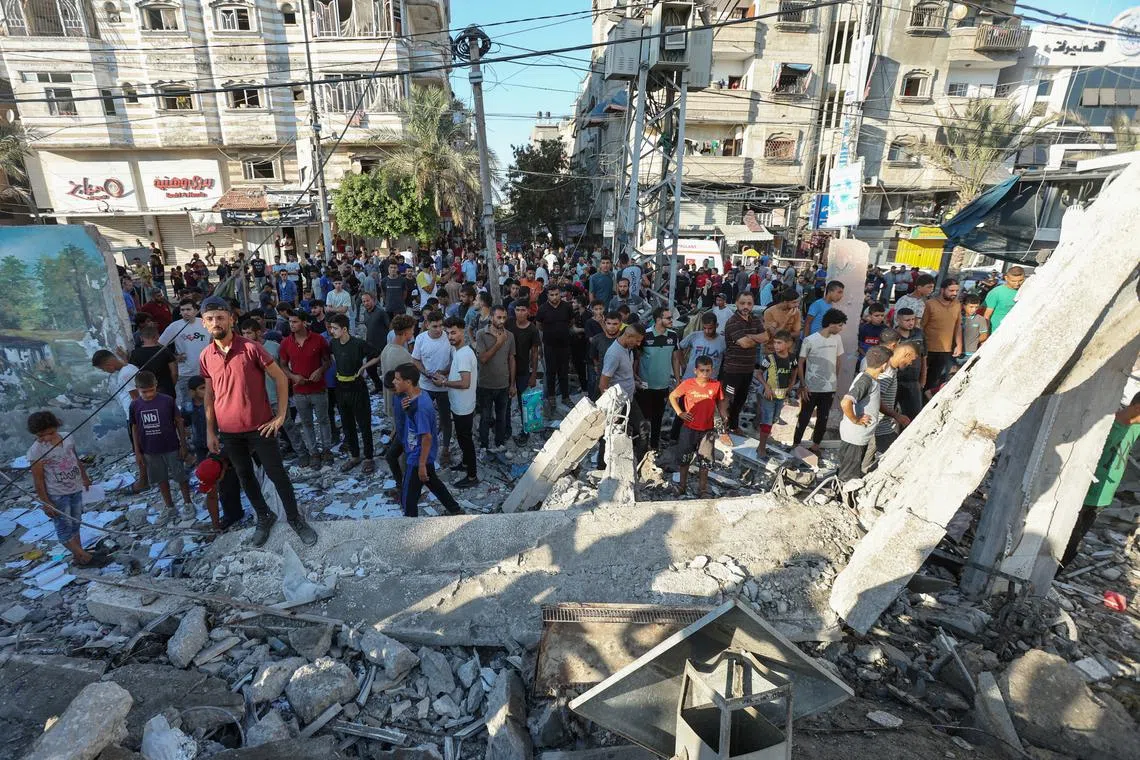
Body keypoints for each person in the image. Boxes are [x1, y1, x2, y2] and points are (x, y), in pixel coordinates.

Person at [198, 296, 317, 547]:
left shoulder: (250, 348)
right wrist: (210, 431)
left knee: (277, 475)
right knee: (245, 476)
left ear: (231, 319)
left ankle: (295, 518)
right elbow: (209, 395)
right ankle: (264, 515)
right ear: (204, 324)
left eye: (221, 317)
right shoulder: (206, 356)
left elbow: (281, 378)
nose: (216, 322)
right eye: (210, 319)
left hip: (260, 426)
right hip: (229, 431)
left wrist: (281, 415)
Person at [1059, 393, 1140, 568]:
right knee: (1066, 547)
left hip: (1102, 498)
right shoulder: (1106, 426)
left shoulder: (1136, 427)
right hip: (1083, 494)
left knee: (1073, 543)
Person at [392, 363, 464, 517]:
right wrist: (407, 410)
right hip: (421, 455)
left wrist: (422, 465)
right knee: (433, 483)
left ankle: (409, 527)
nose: (394, 382)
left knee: (408, 500)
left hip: (417, 458)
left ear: (409, 382)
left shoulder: (421, 408)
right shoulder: (417, 396)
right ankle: (455, 509)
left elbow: (427, 436)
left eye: (397, 379)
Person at [27, 411, 98, 566]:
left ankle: (78, 555)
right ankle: (85, 556)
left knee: (75, 522)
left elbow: (75, 459)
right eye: (40, 436)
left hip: (75, 488)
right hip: (57, 495)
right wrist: (46, 502)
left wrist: (84, 477)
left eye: (50, 433)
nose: (46, 438)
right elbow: (38, 480)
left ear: (56, 426)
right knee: (64, 529)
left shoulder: (67, 437)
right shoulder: (36, 451)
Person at [130, 370, 193, 523]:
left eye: (151, 390)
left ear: (156, 386)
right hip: (150, 450)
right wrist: (138, 452)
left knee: (180, 476)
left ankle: (188, 503)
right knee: (160, 479)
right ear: (137, 389)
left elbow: (179, 422)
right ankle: (169, 506)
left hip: (171, 446)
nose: (149, 394)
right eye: (144, 392)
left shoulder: (167, 401)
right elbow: (134, 427)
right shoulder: (135, 405)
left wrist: (183, 445)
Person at [668, 355, 731, 497]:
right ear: (695, 370)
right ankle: (682, 486)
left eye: (708, 370)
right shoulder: (688, 383)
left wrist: (723, 415)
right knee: (684, 459)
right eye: (702, 370)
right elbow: (672, 396)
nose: (705, 374)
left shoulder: (716, 385)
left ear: (712, 370)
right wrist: (680, 413)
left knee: (706, 462)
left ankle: (702, 490)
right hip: (688, 428)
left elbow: (720, 402)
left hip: (707, 431)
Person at [327, 313, 381, 474]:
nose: (332, 331)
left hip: (357, 387)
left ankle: (368, 457)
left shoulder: (358, 344)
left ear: (344, 329)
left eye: (335, 328)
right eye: (331, 328)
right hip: (341, 387)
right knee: (347, 423)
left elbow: (377, 355)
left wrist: (363, 368)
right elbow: (332, 357)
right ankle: (354, 455)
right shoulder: (333, 343)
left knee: (364, 424)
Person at [279, 311, 333, 469]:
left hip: (318, 388)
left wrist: (320, 371)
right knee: (307, 423)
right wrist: (292, 376)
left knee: (323, 420)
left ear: (304, 323)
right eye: (290, 322)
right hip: (300, 391)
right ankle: (314, 453)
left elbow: (327, 361)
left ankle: (327, 450)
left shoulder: (319, 340)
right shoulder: (286, 343)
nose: (292, 325)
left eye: (295, 322)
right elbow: (283, 365)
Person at [791, 308, 846, 453]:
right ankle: (796, 444)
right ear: (832, 324)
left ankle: (816, 445)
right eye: (840, 325)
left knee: (823, 417)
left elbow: (839, 360)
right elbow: (800, 362)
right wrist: (803, 385)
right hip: (811, 387)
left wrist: (834, 380)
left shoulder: (837, 339)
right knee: (804, 416)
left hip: (829, 388)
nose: (841, 328)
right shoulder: (810, 340)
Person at [837, 345, 893, 485]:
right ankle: (843, 500)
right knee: (849, 476)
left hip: (857, 436)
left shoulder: (869, 378)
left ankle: (840, 494)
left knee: (848, 468)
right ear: (885, 365)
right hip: (855, 436)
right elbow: (845, 402)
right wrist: (856, 420)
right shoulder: (866, 381)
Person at [91, 349, 145, 489]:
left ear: (109, 364)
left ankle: (144, 480)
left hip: (134, 416)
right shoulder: (129, 367)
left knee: (138, 450)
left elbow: (136, 398)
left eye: (103, 368)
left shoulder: (125, 373)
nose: (104, 371)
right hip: (133, 415)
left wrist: (136, 420)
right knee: (141, 448)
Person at [435, 317, 479, 487]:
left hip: (464, 406)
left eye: (454, 332)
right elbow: (456, 371)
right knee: (461, 438)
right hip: (458, 404)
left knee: (466, 440)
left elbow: (465, 382)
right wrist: (444, 373)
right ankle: (465, 464)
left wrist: (444, 383)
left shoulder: (465, 354)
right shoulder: (457, 351)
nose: (450, 336)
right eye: (448, 333)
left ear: (463, 331)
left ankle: (472, 477)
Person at [598, 322, 647, 465]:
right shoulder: (614, 353)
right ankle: (601, 467)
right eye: (637, 340)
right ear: (628, 336)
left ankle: (638, 466)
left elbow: (625, 374)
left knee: (642, 429)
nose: (638, 344)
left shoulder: (627, 349)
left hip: (629, 399)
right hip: (618, 404)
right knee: (610, 434)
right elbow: (603, 384)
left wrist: (635, 382)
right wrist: (612, 411)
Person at [720, 292, 768, 436]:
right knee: (726, 399)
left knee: (740, 400)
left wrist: (751, 336)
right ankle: (723, 429)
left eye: (749, 303)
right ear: (736, 303)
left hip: (748, 369)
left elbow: (766, 337)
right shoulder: (732, 322)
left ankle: (733, 426)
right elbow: (745, 344)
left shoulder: (755, 319)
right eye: (742, 303)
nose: (746, 306)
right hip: (732, 370)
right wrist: (755, 338)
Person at [411, 310, 455, 466]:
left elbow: (454, 360)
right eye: (435, 326)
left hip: (444, 386)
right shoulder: (421, 339)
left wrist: (442, 374)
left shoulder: (448, 338)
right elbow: (415, 360)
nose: (439, 329)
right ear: (427, 325)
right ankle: (425, 447)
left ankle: (445, 449)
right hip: (426, 386)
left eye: (441, 326)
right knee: (425, 418)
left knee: (445, 418)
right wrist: (427, 374)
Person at [638, 306, 683, 451]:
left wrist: (678, 381)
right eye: (668, 318)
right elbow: (636, 359)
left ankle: (654, 447)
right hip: (645, 386)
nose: (671, 320)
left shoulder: (673, 336)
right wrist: (636, 380)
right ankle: (641, 447)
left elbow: (675, 359)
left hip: (663, 385)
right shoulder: (645, 335)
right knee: (644, 419)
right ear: (658, 319)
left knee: (658, 418)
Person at [475, 305, 515, 453]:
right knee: (485, 417)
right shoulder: (481, 334)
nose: (502, 320)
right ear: (492, 317)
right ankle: (484, 445)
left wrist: (512, 384)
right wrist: (498, 343)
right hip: (486, 384)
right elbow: (483, 358)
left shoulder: (509, 335)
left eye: (504, 317)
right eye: (499, 317)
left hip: (503, 385)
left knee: (502, 417)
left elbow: (512, 359)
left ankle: (499, 442)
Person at [754, 330, 798, 456]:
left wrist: (791, 384)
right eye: (775, 343)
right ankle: (761, 448)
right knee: (767, 421)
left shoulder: (792, 358)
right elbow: (758, 373)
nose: (776, 346)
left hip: (782, 395)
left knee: (774, 419)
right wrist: (766, 387)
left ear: (788, 344)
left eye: (779, 343)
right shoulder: (770, 358)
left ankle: (763, 444)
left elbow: (795, 370)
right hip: (769, 395)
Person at [871, 336, 917, 454]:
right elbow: (876, 399)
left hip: (884, 426)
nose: (910, 364)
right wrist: (896, 416)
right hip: (881, 428)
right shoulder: (887, 371)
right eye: (911, 360)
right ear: (906, 354)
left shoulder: (892, 369)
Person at [160, 299, 211, 402]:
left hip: (206, 372)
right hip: (185, 374)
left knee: (208, 401)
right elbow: (159, 346)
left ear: (196, 311)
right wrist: (174, 357)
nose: (185, 312)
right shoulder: (175, 326)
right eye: (182, 310)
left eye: (188, 309)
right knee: (188, 404)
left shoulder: (205, 323)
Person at [921, 278, 962, 394]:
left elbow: (958, 326)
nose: (954, 293)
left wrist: (959, 345)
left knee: (934, 380)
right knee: (921, 379)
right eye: (951, 290)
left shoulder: (957, 305)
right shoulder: (930, 304)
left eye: (956, 291)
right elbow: (922, 326)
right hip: (928, 348)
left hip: (945, 349)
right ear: (943, 290)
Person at [536, 286, 575, 409]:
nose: (554, 297)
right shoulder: (542, 309)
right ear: (547, 295)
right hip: (549, 346)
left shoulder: (567, 307)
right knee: (551, 372)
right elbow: (539, 325)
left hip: (564, 345)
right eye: (551, 295)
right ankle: (551, 397)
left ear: (560, 294)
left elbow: (571, 322)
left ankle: (565, 397)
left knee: (564, 372)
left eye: (556, 294)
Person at [381, 314, 416, 430]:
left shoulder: (387, 348)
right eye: (412, 330)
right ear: (406, 333)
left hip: (391, 402)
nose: (413, 333)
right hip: (402, 404)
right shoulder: (403, 355)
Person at [130, 323, 179, 401]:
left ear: (141, 338)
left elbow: (132, 373)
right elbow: (174, 372)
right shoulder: (165, 351)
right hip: (166, 390)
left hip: (147, 392)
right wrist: (171, 386)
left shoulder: (135, 353)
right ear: (157, 337)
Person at [894, 308, 927, 419]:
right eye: (907, 320)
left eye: (913, 319)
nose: (911, 322)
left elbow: (924, 358)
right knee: (890, 415)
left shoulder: (919, 334)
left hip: (913, 382)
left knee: (914, 417)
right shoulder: (891, 335)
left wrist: (922, 381)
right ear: (898, 320)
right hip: (894, 381)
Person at [360, 291, 390, 394]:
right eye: (363, 301)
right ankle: (379, 386)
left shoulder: (381, 312)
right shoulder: (365, 313)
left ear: (373, 300)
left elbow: (389, 327)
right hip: (371, 345)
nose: (366, 303)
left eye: (368, 300)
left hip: (383, 345)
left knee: (386, 370)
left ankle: (389, 390)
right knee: (370, 369)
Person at [983, 265, 1025, 333]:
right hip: (996, 332)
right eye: (1013, 281)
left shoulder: (1026, 291)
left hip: (1016, 331)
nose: (1017, 284)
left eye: (1020, 280)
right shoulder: (996, 292)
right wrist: (985, 334)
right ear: (1006, 278)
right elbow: (986, 315)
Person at [960, 294, 989, 359]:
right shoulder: (957, 317)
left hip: (970, 354)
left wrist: (974, 341)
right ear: (964, 306)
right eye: (971, 307)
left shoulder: (981, 319)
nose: (974, 310)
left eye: (976, 307)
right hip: (954, 352)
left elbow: (984, 335)